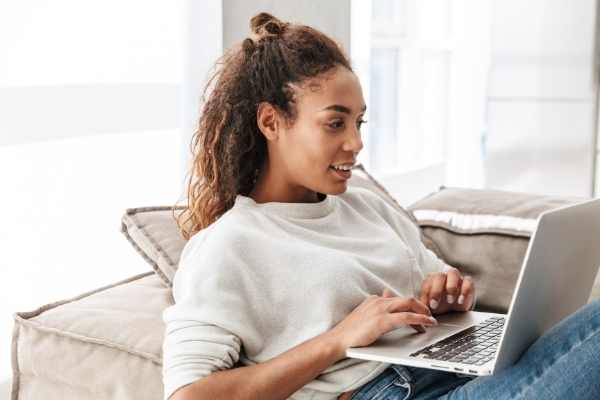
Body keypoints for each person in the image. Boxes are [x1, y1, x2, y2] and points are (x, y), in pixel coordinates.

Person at [162, 12, 600, 400]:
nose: (355, 143)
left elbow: (433, 287)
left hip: (450, 371)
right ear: (271, 122)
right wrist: (338, 340)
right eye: (335, 123)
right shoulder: (227, 246)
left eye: (359, 121)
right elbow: (190, 395)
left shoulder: (366, 206)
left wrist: (446, 298)